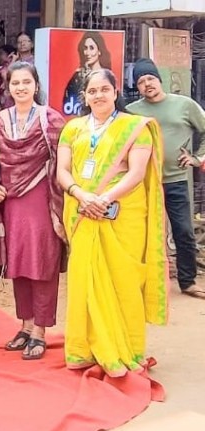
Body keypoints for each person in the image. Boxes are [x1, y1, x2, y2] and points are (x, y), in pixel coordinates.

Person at [57, 69, 168, 377]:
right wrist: (82, 195)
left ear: (115, 92)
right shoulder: (73, 128)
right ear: (84, 97)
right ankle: (84, 350)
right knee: (84, 281)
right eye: (92, 91)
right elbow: (62, 170)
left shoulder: (134, 127)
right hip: (83, 211)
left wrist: (103, 199)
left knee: (123, 281)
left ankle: (125, 349)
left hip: (121, 214)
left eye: (104, 89)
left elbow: (136, 173)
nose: (98, 96)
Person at [0, 62, 67, 360]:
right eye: (15, 83)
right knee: (19, 263)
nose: (20, 88)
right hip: (11, 202)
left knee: (43, 263)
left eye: (26, 82)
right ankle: (25, 325)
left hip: (42, 199)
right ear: (8, 88)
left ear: (36, 85)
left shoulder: (51, 120)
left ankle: (40, 331)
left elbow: (65, 162)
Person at [126, 58, 205, 300]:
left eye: (150, 78)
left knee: (183, 231)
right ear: (137, 87)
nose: (147, 84)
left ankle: (188, 281)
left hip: (176, 180)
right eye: (141, 81)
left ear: (159, 79)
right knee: (143, 233)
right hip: (143, 183)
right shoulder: (131, 112)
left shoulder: (184, 105)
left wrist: (197, 158)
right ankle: (144, 281)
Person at [62, 31, 112, 117]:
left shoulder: (108, 76)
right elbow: (67, 104)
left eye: (91, 48)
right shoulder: (77, 77)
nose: (87, 53)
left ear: (99, 51)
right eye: (85, 48)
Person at [0, 44, 17, 114]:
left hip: (11, 99)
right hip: (1, 100)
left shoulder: (16, 68)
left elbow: (7, 76)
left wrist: (13, 60)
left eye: (1, 54)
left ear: (10, 54)